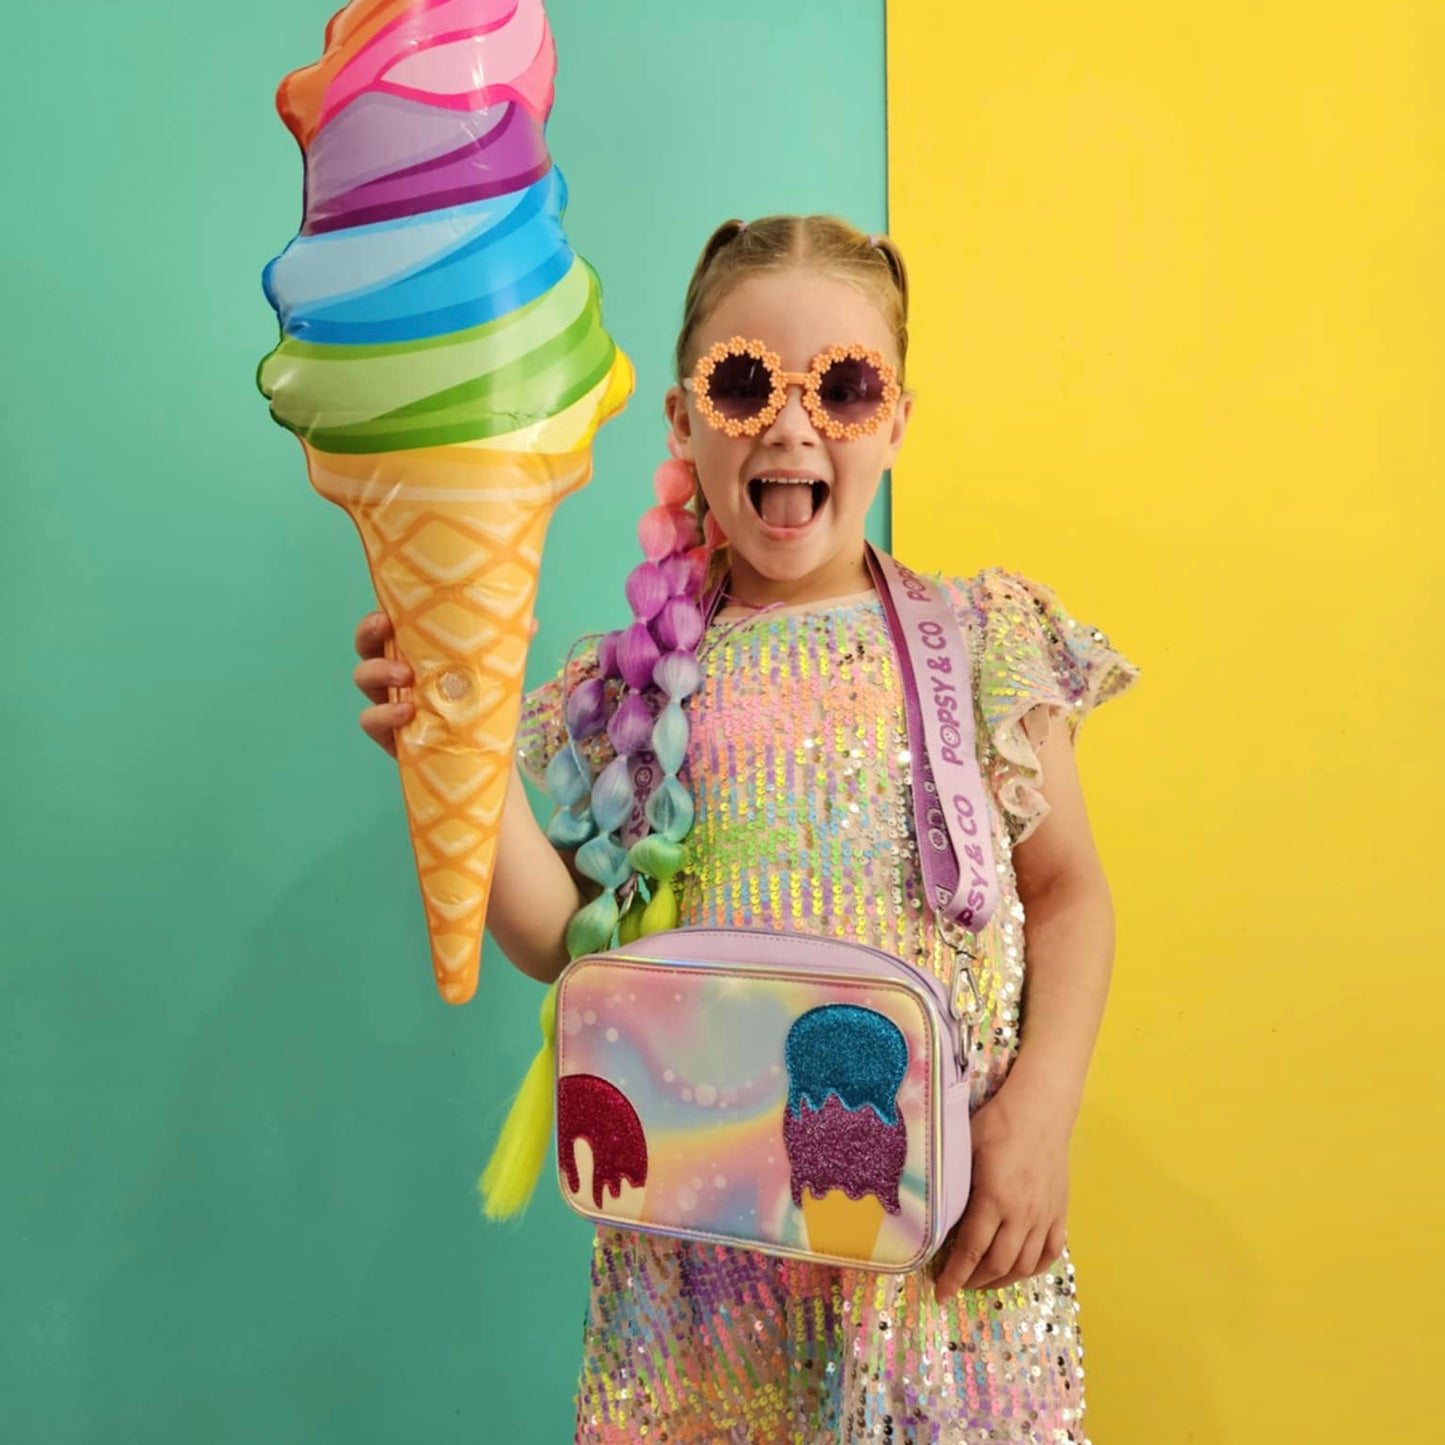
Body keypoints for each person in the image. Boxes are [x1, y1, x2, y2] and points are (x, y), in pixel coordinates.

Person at [352, 215, 1137, 1443]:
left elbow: (1068, 891)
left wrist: (1040, 1110)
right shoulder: (628, 691)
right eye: (741, 384)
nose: (790, 425)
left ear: (895, 420)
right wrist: (450, 752)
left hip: (940, 1272)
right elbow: (562, 941)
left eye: (844, 386)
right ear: (681, 420)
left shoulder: (983, 641)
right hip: (702, 1292)